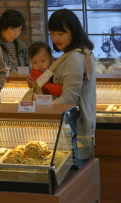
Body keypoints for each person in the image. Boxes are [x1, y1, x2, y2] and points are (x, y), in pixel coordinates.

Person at [41, 9, 96, 159]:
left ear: (73, 32)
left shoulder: (74, 58)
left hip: (74, 125)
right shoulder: (80, 53)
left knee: (77, 174)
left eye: (61, 33)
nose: (56, 38)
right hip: (76, 124)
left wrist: (40, 109)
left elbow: (70, 97)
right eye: (52, 33)